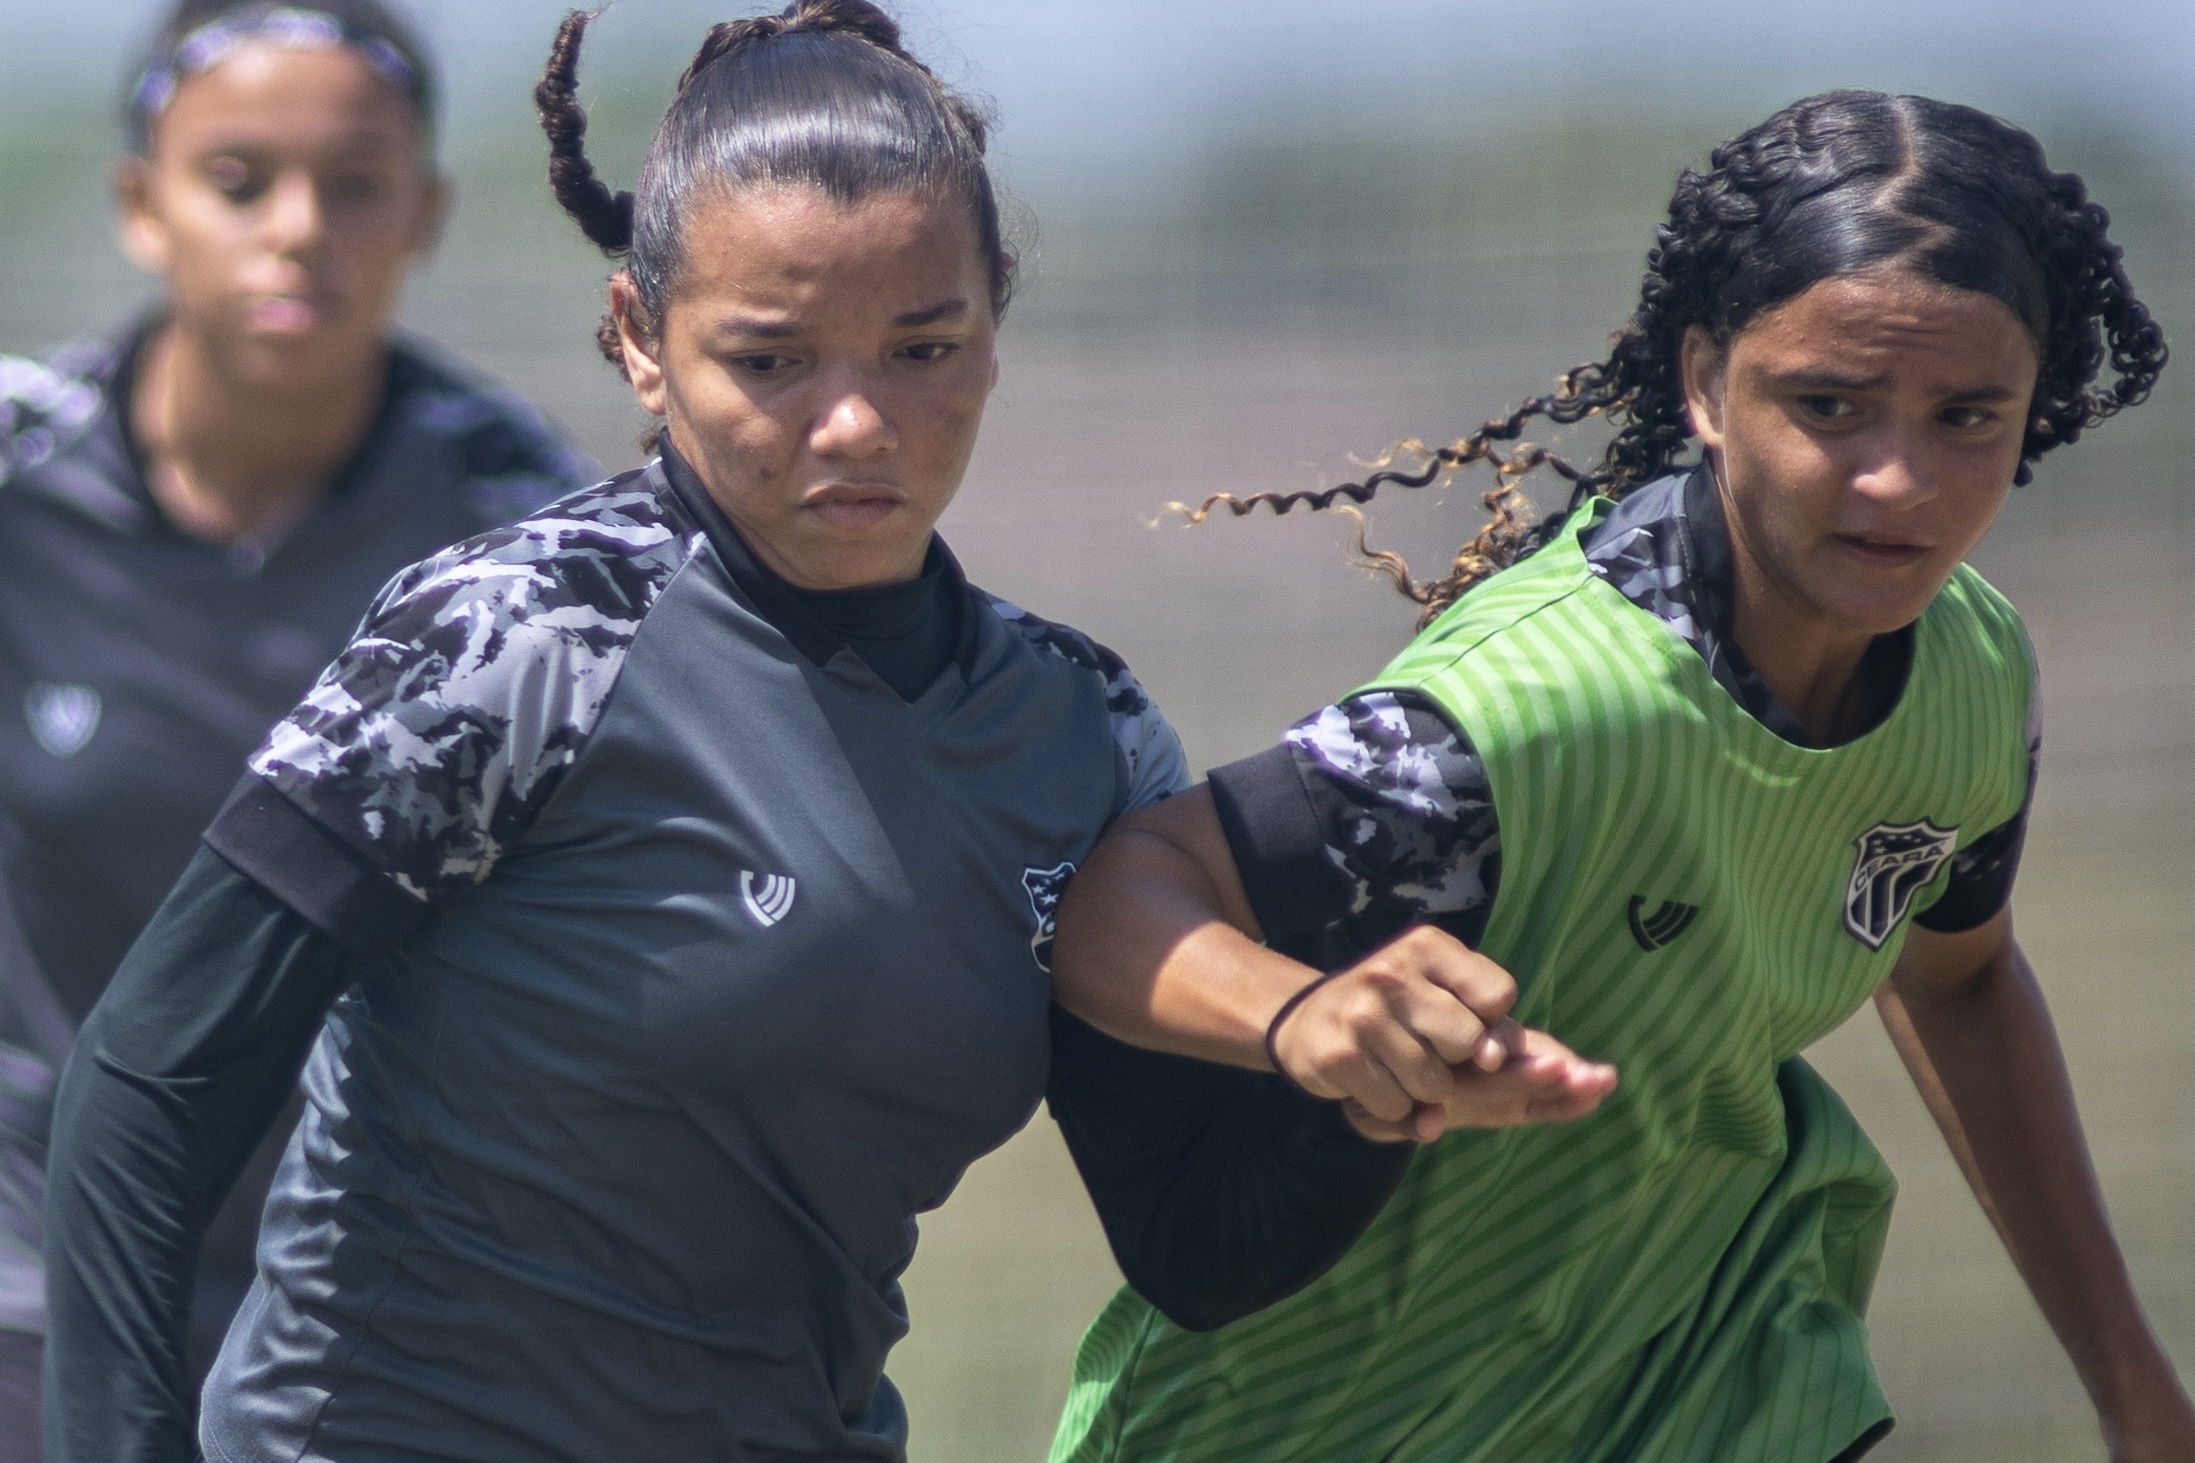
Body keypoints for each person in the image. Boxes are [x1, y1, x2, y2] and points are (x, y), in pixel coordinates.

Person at [32, 3, 1258, 1459]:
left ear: (995, 318)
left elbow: (1202, 1240)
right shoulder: (520, 631)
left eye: (922, 348)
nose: (857, 422)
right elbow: (153, 1071)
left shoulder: (1082, 733)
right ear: (638, 340)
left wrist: (1377, 1039)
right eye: (774, 359)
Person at [1043, 91, 2195, 1463]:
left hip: (1706, 1382)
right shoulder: (1526, 715)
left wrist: (2134, 1385)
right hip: (1310, 1422)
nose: (1902, 481)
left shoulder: (1972, 673)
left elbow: (1959, 977)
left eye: (1968, 417)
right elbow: (1119, 895)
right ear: (1707, 385)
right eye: (1829, 406)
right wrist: (1308, 1018)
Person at [0, 0, 593, 1453]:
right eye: (240, 179)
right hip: (31, 1284)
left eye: (356, 182)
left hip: (371, 1305)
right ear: (144, 206)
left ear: (427, 214)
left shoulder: (526, 527)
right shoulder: (19, 481)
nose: (300, 228)